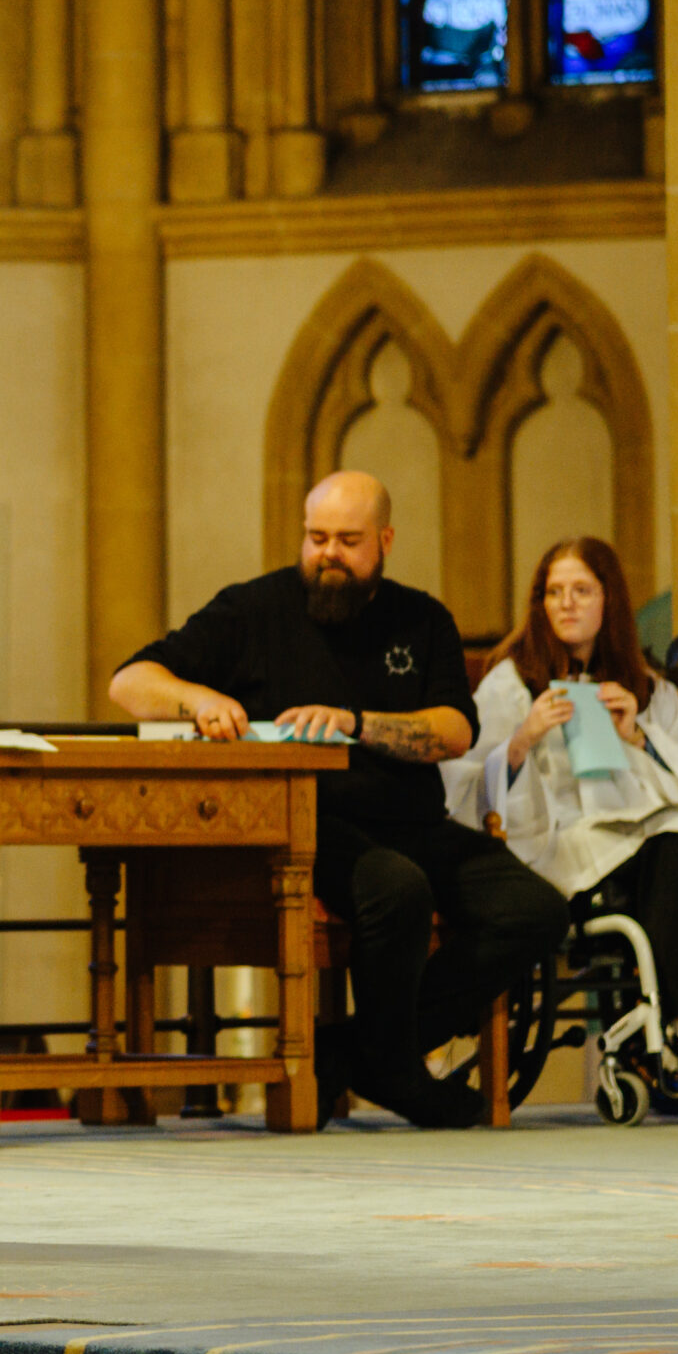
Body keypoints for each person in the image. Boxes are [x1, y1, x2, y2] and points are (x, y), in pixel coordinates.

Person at [107, 470, 566, 1127]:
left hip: (413, 819)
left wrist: (357, 721)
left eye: (347, 540)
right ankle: (398, 1068)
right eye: (316, 536)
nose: (328, 553)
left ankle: (357, 1053)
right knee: (397, 889)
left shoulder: (422, 617)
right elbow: (131, 681)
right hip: (307, 825)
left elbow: (455, 730)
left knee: (536, 911)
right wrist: (200, 698)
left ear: (384, 539)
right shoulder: (252, 610)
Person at [443, 537, 678, 1091]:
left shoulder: (646, 687)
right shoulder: (511, 682)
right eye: (554, 593)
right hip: (567, 847)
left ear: (610, 601)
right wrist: (522, 738)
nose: (567, 604)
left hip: (644, 833)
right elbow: (464, 784)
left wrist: (640, 737)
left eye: (581, 591)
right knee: (674, 843)